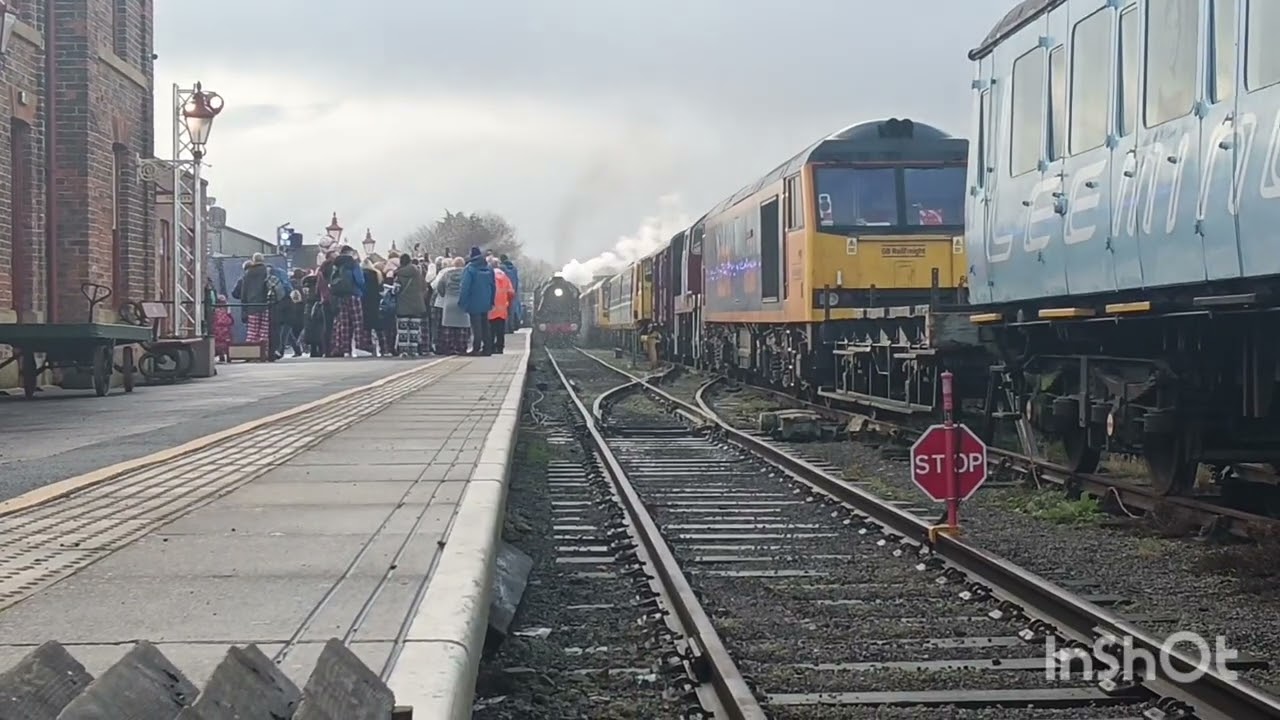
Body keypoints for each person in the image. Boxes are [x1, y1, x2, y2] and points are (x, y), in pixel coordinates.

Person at [327, 246, 366, 357]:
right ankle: (359, 346)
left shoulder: (336, 264)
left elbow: (332, 280)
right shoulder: (353, 263)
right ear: (350, 252)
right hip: (354, 294)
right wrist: (361, 290)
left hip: (340, 295)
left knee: (344, 323)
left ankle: (345, 349)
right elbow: (359, 280)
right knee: (357, 322)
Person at [459, 246, 496, 356]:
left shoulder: (469, 269)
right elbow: (493, 286)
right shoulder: (489, 268)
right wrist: (492, 300)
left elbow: (465, 287)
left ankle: (476, 348)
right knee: (485, 325)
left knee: (476, 326)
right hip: (486, 300)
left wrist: (462, 301)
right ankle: (487, 348)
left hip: (473, 300)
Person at [231, 253, 272, 347]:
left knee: (252, 331)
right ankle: (263, 351)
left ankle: (252, 351)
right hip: (265, 304)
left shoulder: (247, 274)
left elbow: (243, 292)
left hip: (251, 306)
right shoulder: (267, 271)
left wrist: (244, 308)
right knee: (264, 331)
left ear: (253, 260)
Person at [432, 257, 469, 354]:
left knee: (448, 327)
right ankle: (461, 347)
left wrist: (444, 294)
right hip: (462, 302)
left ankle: (449, 347)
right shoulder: (466, 274)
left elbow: (439, 286)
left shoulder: (447, 274)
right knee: (462, 327)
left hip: (449, 301)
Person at [393, 253, 427, 356]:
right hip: (417, 304)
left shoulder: (399, 274)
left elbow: (396, 290)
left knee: (403, 330)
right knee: (414, 329)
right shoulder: (418, 274)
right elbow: (424, 287)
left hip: (403, 305)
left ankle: (404, 351)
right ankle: (414, 350)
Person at [488, 257, 516, 354]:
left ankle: (490, 346)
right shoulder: (504, 276)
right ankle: (500, 347)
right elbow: (511, 292)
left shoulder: (489, 275)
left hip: (491, 306)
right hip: (503, 306)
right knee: (500, 328)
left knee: (491, 328)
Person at [360, 259, 384, 355]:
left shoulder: (362, 274)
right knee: (378, 325)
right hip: (375, 301)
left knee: (366, 326)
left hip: (365, 301)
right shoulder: (377, 274)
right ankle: (383, 347)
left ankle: (368, 347)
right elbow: (380, 288)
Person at [499, 254, 521, 330]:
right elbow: (517, 281)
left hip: (504, 291)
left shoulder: (501, 269)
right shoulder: (514, 269)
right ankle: (511, 327)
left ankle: (505, 328)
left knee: (504, 310)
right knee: (511, 310)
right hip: (513, 291)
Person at [213, 295, 234, 362]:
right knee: (226, 342)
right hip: (224, 333)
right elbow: (230, 321)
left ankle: (220, 355)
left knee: (218, 344)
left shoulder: (214, 311)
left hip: (216, 333)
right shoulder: (225, 312)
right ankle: (226, 355)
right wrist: (229, 313)